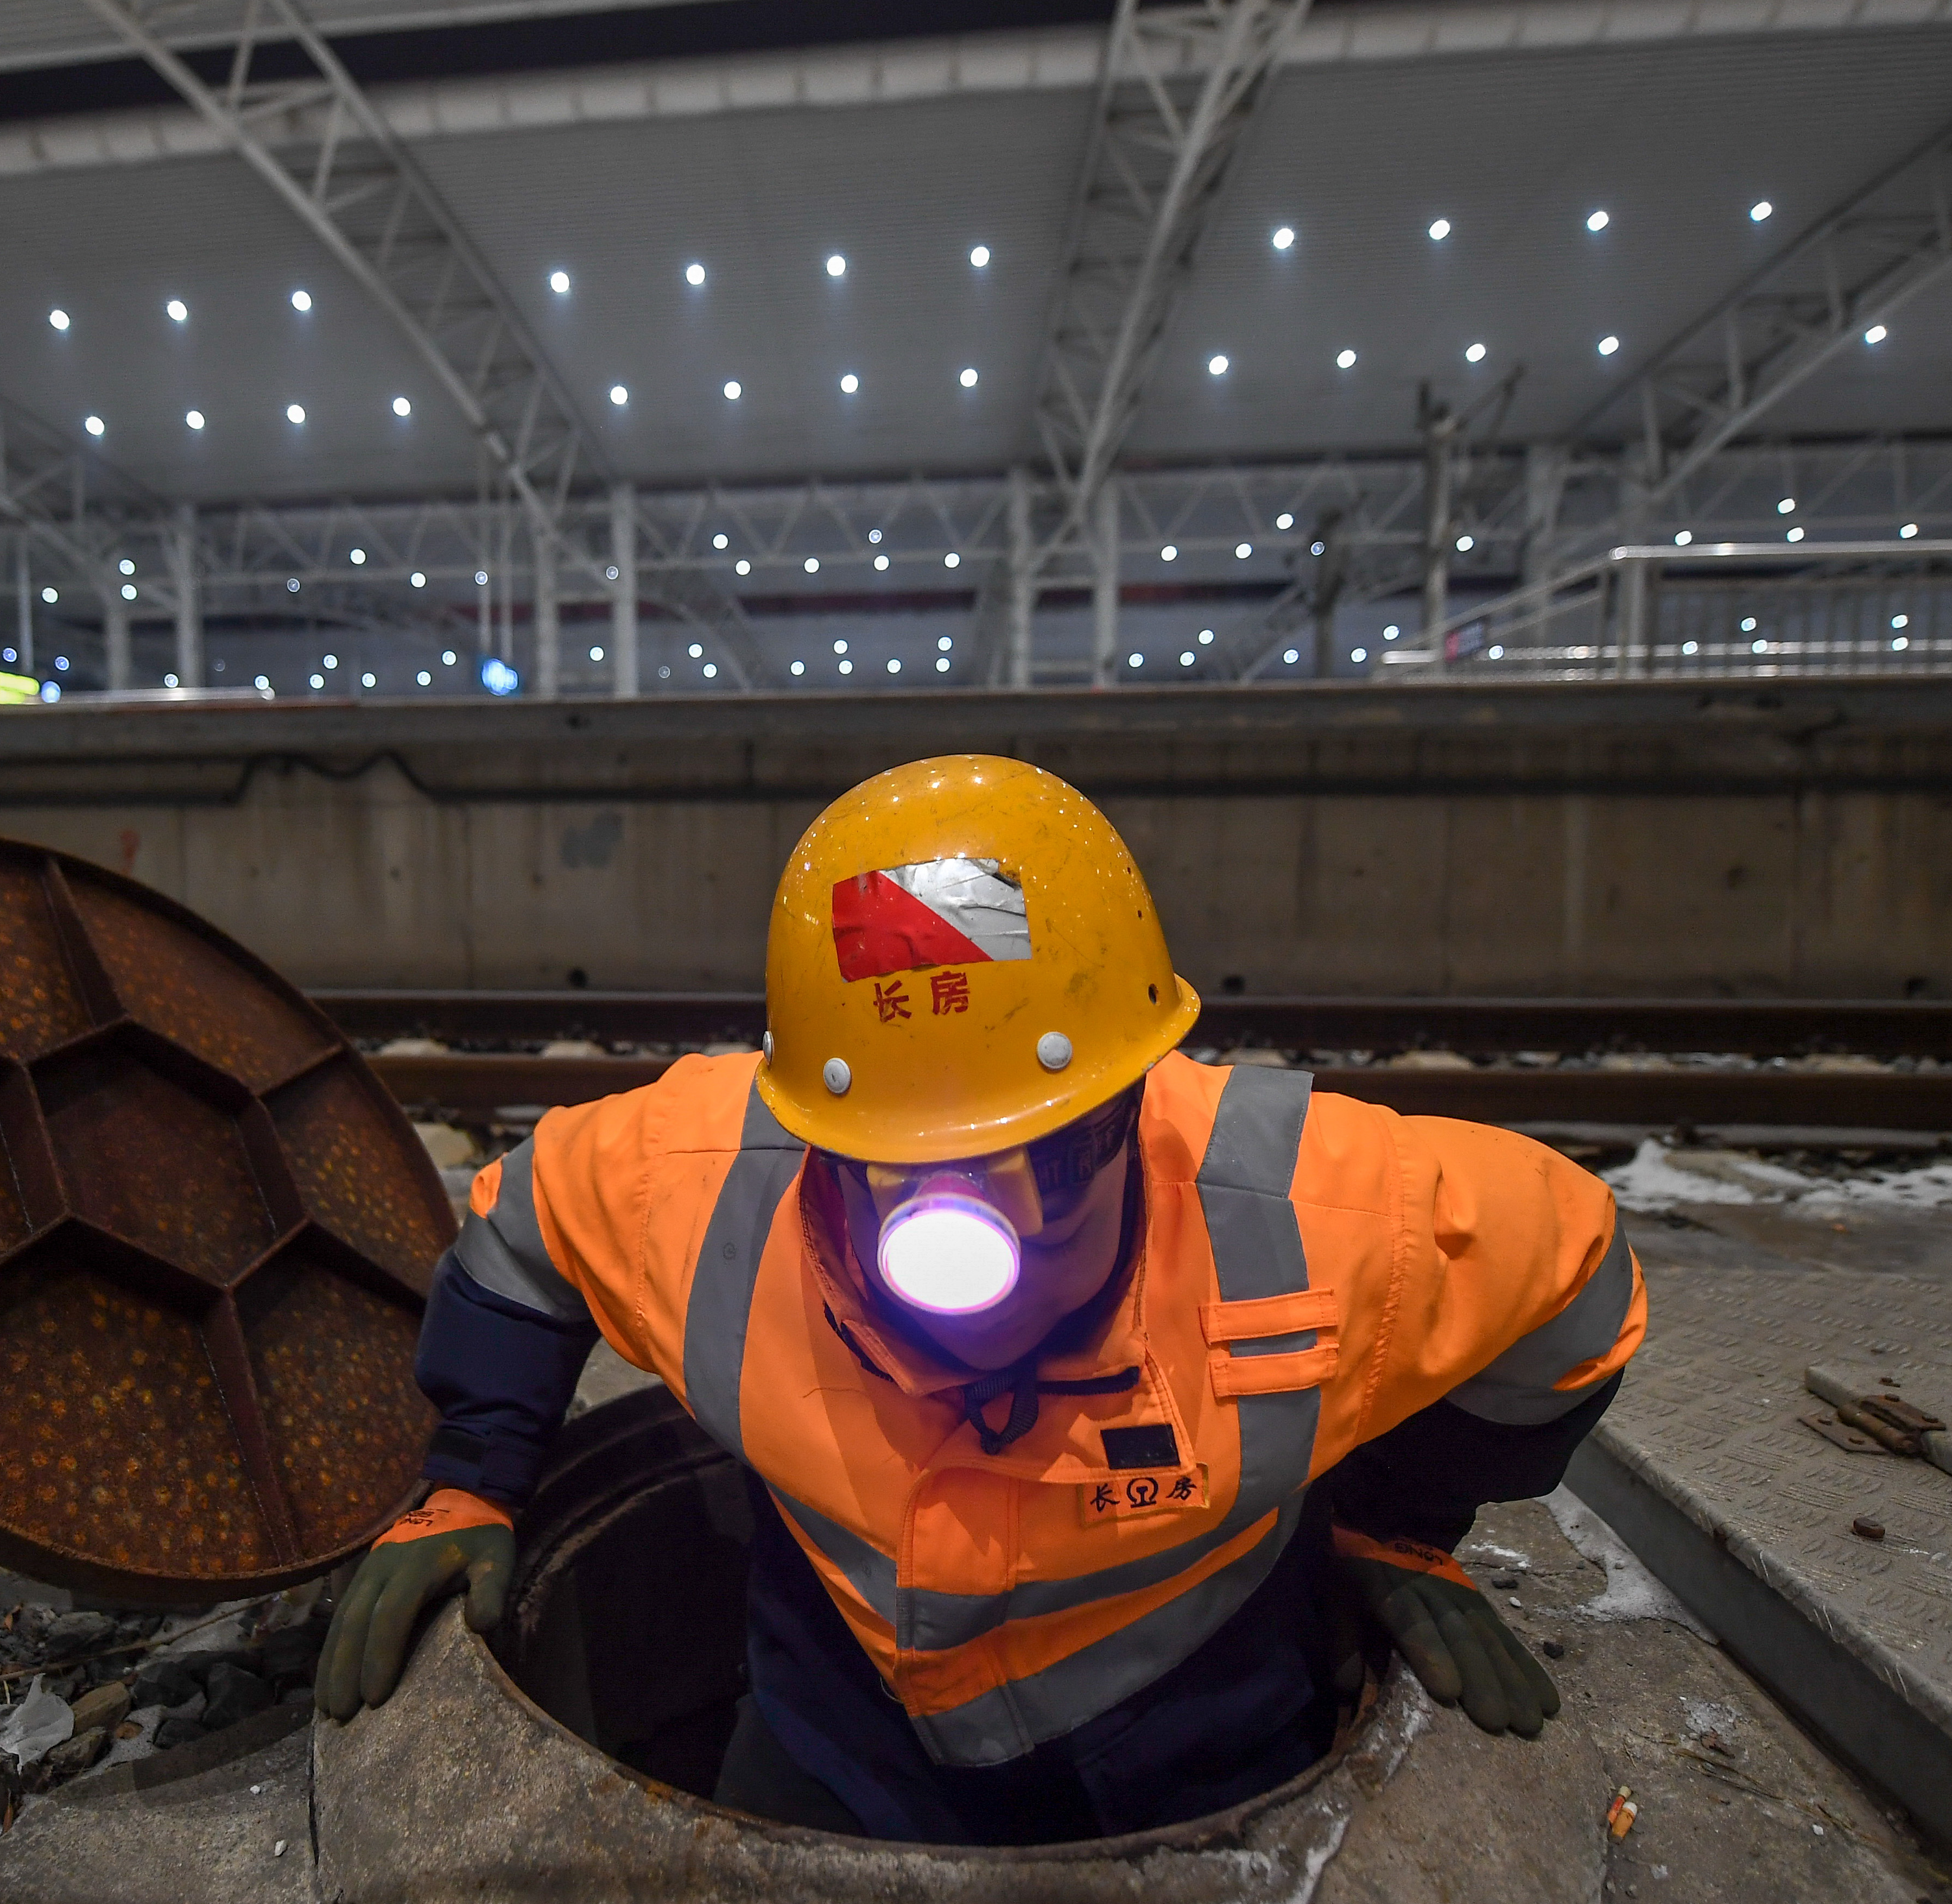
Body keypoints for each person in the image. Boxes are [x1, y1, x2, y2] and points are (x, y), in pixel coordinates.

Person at [316, 754, 1644, 1845]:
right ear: (813, 1131)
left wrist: (1393, 1523)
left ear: (1132, 1104)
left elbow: (1577, 1277)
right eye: (886, 1165)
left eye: (1043, 1156)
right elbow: (520, 1221)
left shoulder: (1320, 1216)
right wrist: (472, 1473)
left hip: (1207, 1745)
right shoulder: (701, 1185)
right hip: (837, 1738)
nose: (956, 1237)